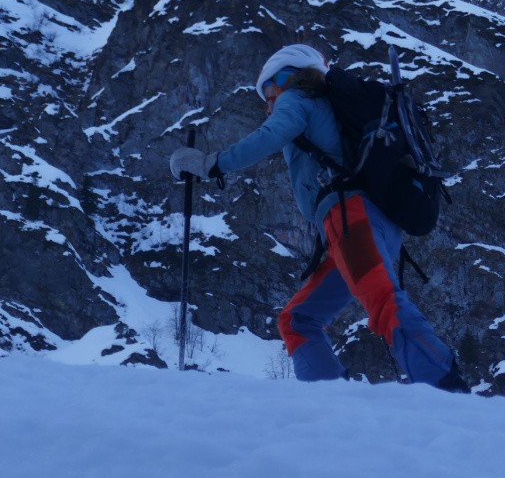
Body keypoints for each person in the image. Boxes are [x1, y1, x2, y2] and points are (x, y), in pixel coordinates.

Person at [170, 44, 467, 391]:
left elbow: (271, 135)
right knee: (298, 319)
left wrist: (210, 164)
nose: (268, 103)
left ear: (287, 76)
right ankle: (331, 402)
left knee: (384, 302)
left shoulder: (297, 99)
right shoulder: (328, 106)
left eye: (268, 91)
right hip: (366, 223)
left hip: (351, 219)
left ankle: (446, 388)